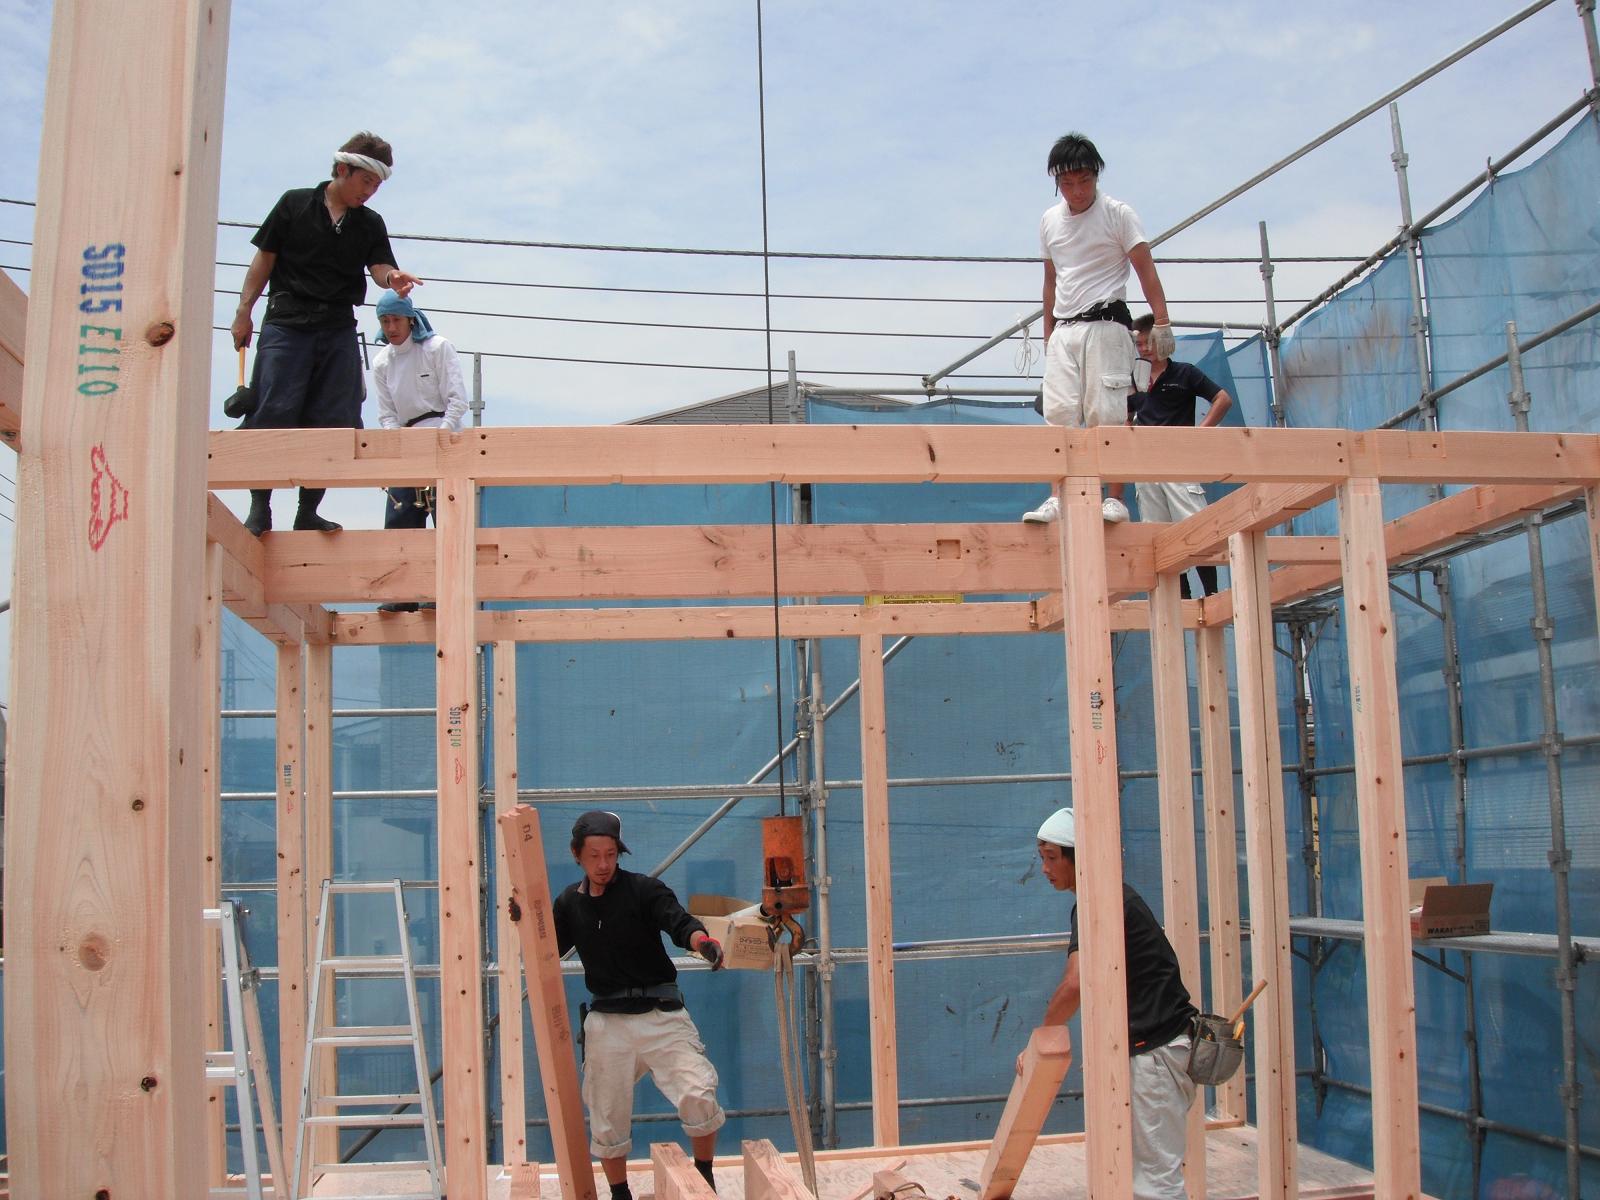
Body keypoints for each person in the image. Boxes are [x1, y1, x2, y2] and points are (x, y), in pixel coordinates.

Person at [230, 131, 422, 535]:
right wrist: (243, 312)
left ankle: (307, 509)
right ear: (342, 170)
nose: (370, 191)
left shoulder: (369, 223)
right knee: (273, 409)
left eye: (376, 185)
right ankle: (260, 506)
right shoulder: (294, 204)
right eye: (365, 181)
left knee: (334, 417)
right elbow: (263, 260)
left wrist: (393, 278)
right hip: (287, 321)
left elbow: (380, 267)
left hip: (336, 326)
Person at [554, 810, 727, 1200]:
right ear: (577, 854)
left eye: (611, 854)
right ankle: (620, 1193)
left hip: (661, 1013)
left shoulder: (644, 890)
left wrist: (704, 943)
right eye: (594, 855)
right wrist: (522, 920)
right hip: (607, 1021)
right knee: (606, 1112)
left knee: (698, 1092)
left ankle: (704, 1174)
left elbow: (680, 923)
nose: (603, 864)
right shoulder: (569, 903)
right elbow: (546, 948)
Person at [1026, 807, 1197, 1199]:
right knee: (1140, 1176)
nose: (1045, 869)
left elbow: (1075, 985)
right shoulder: (1107, 898)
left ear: (1076, 858)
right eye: (1042, 858)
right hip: (1155, 1052)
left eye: (1052, 858)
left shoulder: (1102, 904)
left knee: (1156, 1185)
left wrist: (1040, 1039)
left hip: (1155, 1058)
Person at [1023, 133, 1172, 526]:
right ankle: (1058, 497)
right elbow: (1050, 280)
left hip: (1106, 323)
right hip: (1065, 329)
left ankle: (1116, 497)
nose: (1076, 190)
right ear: (1057, 181)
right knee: (1058, 414)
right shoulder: (1049, 221)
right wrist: (1048, 331)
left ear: (1096, 176)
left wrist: (1162, 322)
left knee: (1107, 412)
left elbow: (1146, 270)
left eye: (1084, 181)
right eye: (1067, 183)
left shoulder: (1117, 214)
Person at [370, 291, 468, 612]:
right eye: (385, 321)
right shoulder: (382, 361)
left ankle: (442, 593)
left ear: (410, 319)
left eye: (396, 319)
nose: (391, 327)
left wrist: (441, 436)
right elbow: (386, 414)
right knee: (400, 520)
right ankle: (402, 594)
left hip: (441, 437)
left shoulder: (437, 348)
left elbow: (457, 400)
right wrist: (396, 443)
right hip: (406, 443)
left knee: (446, 520)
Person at [1129, 313, 1234, 598]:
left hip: (1179, 461)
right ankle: (1182, 600)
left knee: (1195, 525)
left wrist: (1199, 434)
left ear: (1161, 340)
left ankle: (1212, 594)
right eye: (1138, 344)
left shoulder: (1184, 373)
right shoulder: (1133, 380)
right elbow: (1123, 416)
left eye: (1148, 342)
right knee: (1158, 535)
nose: (1143, 349)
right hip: (1146, 468)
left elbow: (1222, 399)